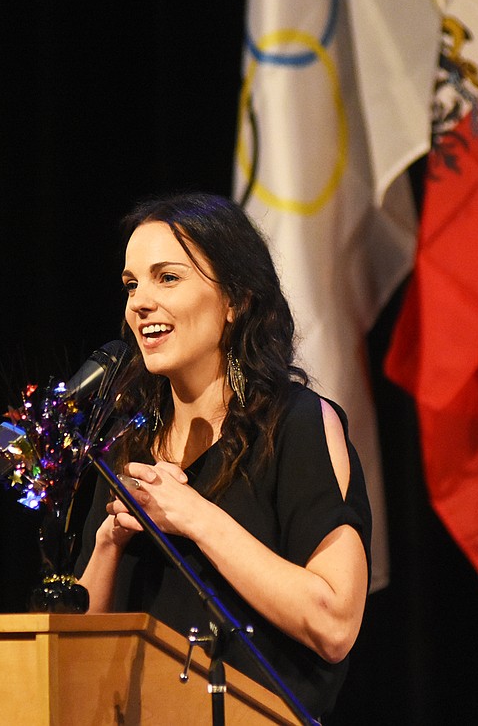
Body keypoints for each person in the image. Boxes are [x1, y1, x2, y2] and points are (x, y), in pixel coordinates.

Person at [76, 192, 371, 718]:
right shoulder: (125, 444)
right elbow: (76, 655)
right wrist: (107, 545)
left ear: (235, 299)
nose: (139, 301)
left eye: (167, 277)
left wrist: (193, 517)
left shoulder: (298, 424)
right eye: (131, 283)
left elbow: (334, 625)